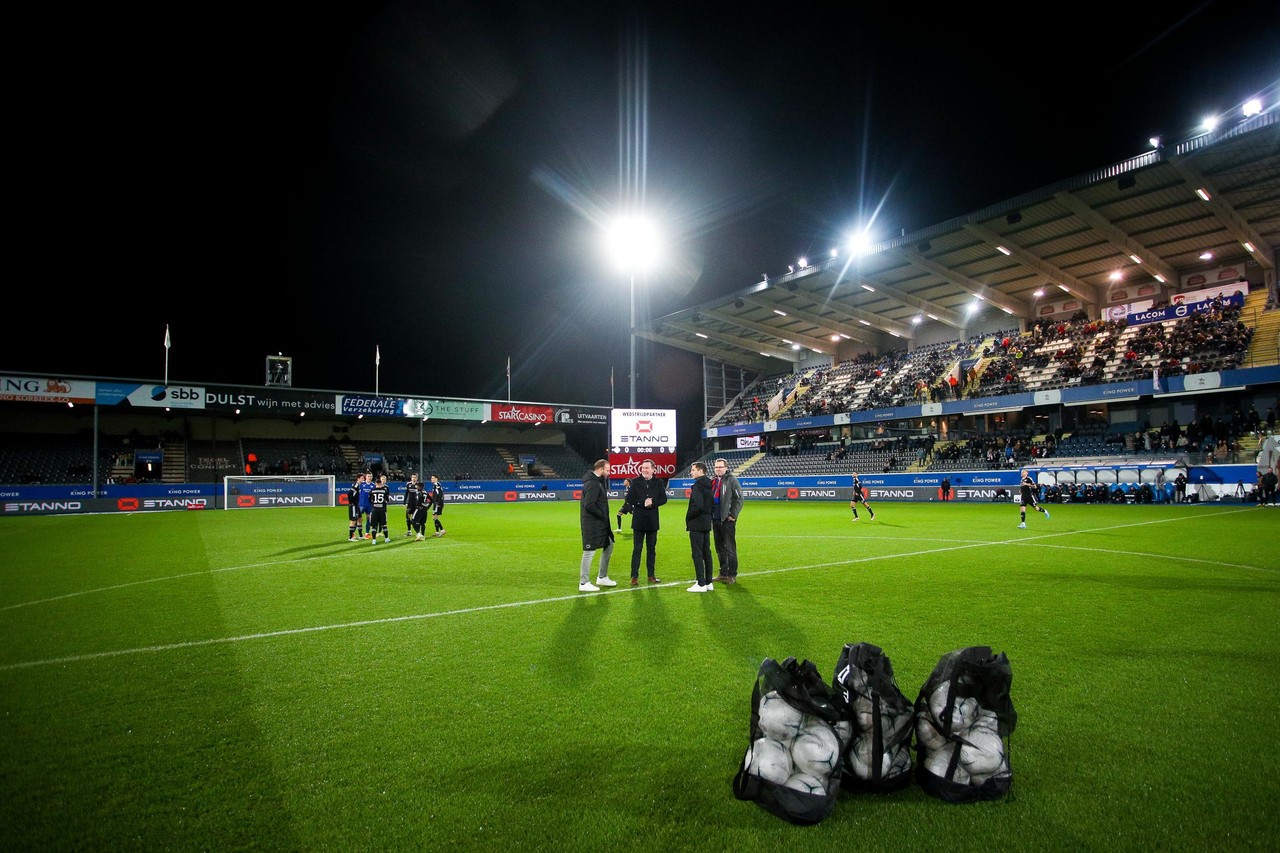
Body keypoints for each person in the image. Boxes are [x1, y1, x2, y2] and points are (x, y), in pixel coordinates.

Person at [577, 459, 617, 591]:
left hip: (601, 523)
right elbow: (589, 504)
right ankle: (584, 583)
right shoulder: (593, 484)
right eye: (607, 470)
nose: (609, 473)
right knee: (589, 551)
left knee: (609, 544)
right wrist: (602, 514)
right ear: (600, 469)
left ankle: (602, 577)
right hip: (592, 524)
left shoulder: (599, 482)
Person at [626, 461, 667, 585]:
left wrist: (653, 503)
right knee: (637, 549)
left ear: (653, 469)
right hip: (638, 521)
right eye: (643, 468)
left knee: (651, 549)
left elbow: (663, 499)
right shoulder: (635, 481)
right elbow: (629, 499)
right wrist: (641, 503)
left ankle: (651, 575)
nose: (644, 470)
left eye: (647, 468)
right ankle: (634, 576)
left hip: (652, 521)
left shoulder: (659, 482)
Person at [711, 457, 743, 585]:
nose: (718, 469)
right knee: (719, 548)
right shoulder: (713, 481)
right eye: (716, 467)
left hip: (727, 520)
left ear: (726, 468)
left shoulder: (732, 480)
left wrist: (733, 515)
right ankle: (723, 573)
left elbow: (739, 498)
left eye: (720, 467)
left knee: (730, 548)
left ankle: (732, 574)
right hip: (715, 519)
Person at [685, 461, 715, 592]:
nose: (691, 472)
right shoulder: (710, 484)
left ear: (700, 471)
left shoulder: (697, 485)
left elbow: (697, 505)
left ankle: (701, 583)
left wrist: (689, 517)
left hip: (697, 523)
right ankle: (708, 582)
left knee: (697, 553)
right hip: (706, 522)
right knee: (706, 552)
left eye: (693, 470)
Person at [368, 474, 391, 543]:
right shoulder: (384, 491)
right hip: (382, 510)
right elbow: (387, 500)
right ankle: (386, 538)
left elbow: (369, 500)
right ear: (380, 483)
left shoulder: (372, 491)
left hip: (374, 509)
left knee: (374, 526)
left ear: (375, 484)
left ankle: (374, 540)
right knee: (384, 525)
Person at [346, 472, 365, 541]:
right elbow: (349, 494)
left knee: (360, 519)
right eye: (362, 478)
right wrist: (351, 503)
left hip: (357, 505)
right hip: (354, 505)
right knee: (353, 520)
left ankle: (360, 536)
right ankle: (351, 537)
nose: (363, 479)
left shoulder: (359, 485)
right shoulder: (356, 485)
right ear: (358, 479)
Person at [409, 476, 429, 540]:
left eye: (417, 486)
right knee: (422, 523)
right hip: (425, 509)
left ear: (420, 487)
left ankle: (418, 534)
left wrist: (418, 506)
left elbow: (419, 500)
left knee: (413, 521)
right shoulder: (425, 492)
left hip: (419, 509)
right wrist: (427, 507)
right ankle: (423, 535)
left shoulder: (418, 492)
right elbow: (431, 500)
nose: (416, 487)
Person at [357, 470, 375, 538]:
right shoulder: (361, 484)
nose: (369, 477)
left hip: (369, 505)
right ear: (365, 477)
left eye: (370, 476)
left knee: (369, 519)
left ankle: (367, 533)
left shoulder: (373, 485)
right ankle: (356, 534)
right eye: (368, 476)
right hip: (361, 504)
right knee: (358, 519)